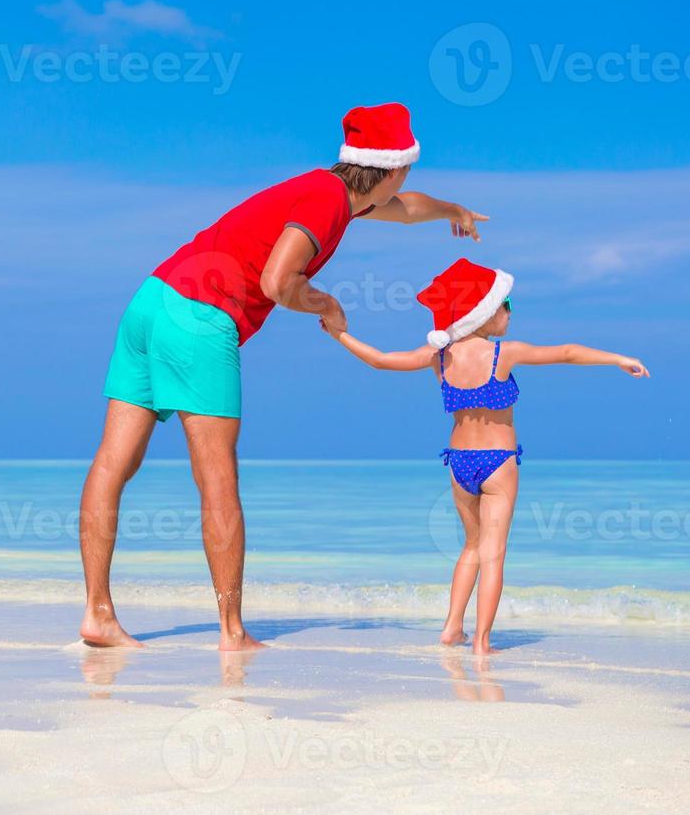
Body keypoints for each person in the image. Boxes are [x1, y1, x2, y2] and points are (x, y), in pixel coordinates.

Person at [78, 103, 489, 650]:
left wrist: (452, 210)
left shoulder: (333, 193)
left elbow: (407, 209)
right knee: (217, 477)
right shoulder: (326, 203)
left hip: (152, 300)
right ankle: (231, 631)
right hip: (201, 316)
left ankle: (97, 614)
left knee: (114, 460)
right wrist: (325, 304)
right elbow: (277, 280)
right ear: (396, 167)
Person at [323, 258, 649, 654]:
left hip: (459, 464)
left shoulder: (439, 357)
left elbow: (381, 359)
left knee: (471, 547)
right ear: (484, 311)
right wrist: (618, 359)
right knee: (493, 554)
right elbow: (564, 352)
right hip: (498, 462)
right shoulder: (503, 354)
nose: (510, 313)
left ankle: (450, 628)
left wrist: (339, 335)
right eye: (505, 303)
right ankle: (481, 642)